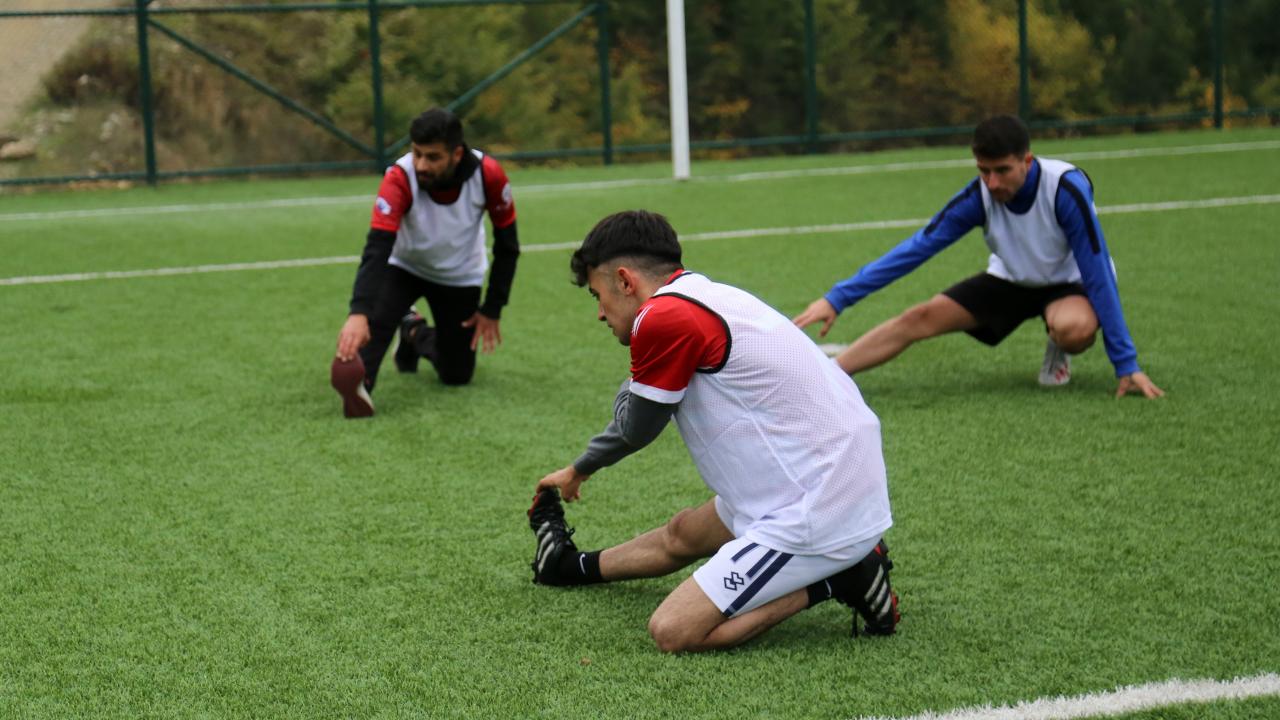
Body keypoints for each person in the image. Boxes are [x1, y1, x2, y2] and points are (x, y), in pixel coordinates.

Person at [528, 210, 900, 653]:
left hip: (817, 504)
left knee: (674, 630)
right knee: (683, 534)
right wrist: (583, 465)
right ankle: (568, 567)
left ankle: (844, 576)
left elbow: (635, 429)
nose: (599, 313)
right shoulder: (704, 294)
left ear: (625, 281)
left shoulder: (662, 317)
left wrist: (583, 462)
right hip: (823, 477)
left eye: (598, 295)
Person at [793, 115, 1164, 399]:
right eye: (984, 171)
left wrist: (1125, 364)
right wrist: (838, 298)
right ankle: (828, 376)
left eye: (1002, 170)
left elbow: (1097, 271)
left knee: (1073, 330)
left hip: (1069, 284)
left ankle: (1058, 346)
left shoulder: (1066, 189)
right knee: (917, 317)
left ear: (1027, 160)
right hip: (1010, 279)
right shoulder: (979, 196)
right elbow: (917, 249)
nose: (992, 182)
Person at [330, 107, 519, 418]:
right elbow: (377, 246)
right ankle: (365, 378)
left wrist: (492, 307)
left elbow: (508, 245)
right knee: (363, 364)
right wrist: (359, 312)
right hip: (404, 268)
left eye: (432, 157)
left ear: (456, 154)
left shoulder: (489, 175)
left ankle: (413, 331)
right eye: (416, 153)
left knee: (457, 375)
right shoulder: (399, 177)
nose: (421, 164)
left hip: (459, 276)